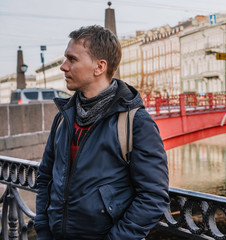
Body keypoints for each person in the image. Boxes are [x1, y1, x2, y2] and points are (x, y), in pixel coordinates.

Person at [34, 25, 169, 240]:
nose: (63, 67)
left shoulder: (135, 122)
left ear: (99, 67)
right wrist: (43, 228)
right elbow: (45, 178)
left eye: (72, 59)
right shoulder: (63, 117)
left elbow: (153, 197)